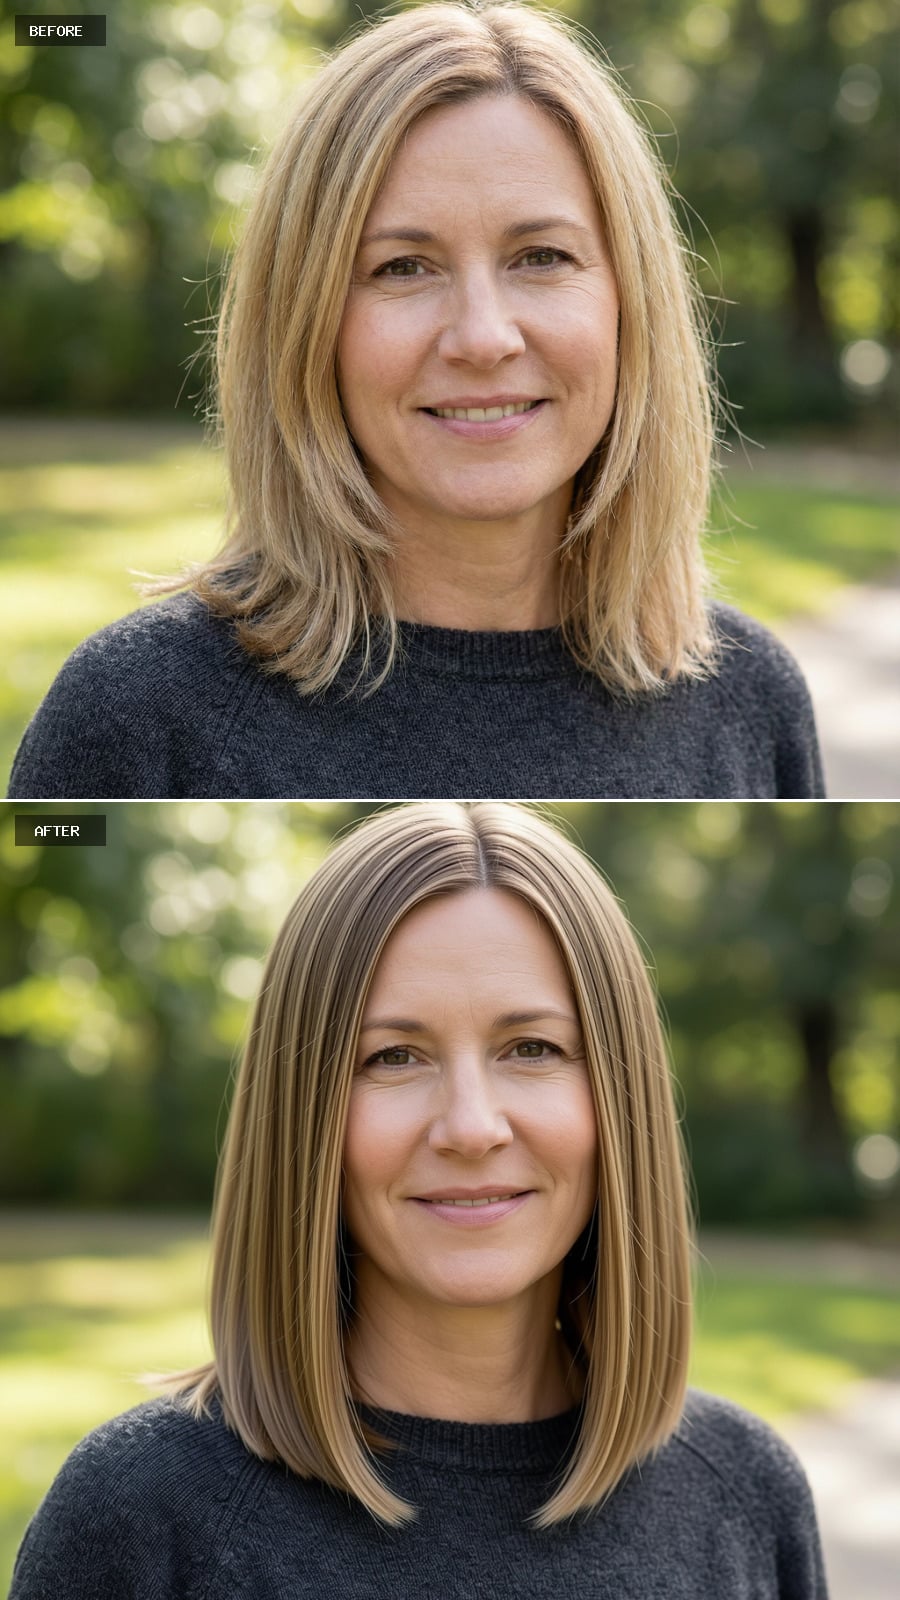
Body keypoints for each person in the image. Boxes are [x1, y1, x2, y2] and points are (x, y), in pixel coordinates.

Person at [11, 802, 828, 1597]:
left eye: (532, 1048)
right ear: (303, 1115)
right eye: (394, 1056)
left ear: (621, 1098)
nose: (471, 1127)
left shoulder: (746, 1497)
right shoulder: (141, 1518)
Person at [9, 2, 822, 800]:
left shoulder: (752, 703)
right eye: (403, 267)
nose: (482, 336)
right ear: (305, 323)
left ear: (629, 302)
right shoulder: (138, 717)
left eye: (540, 256)